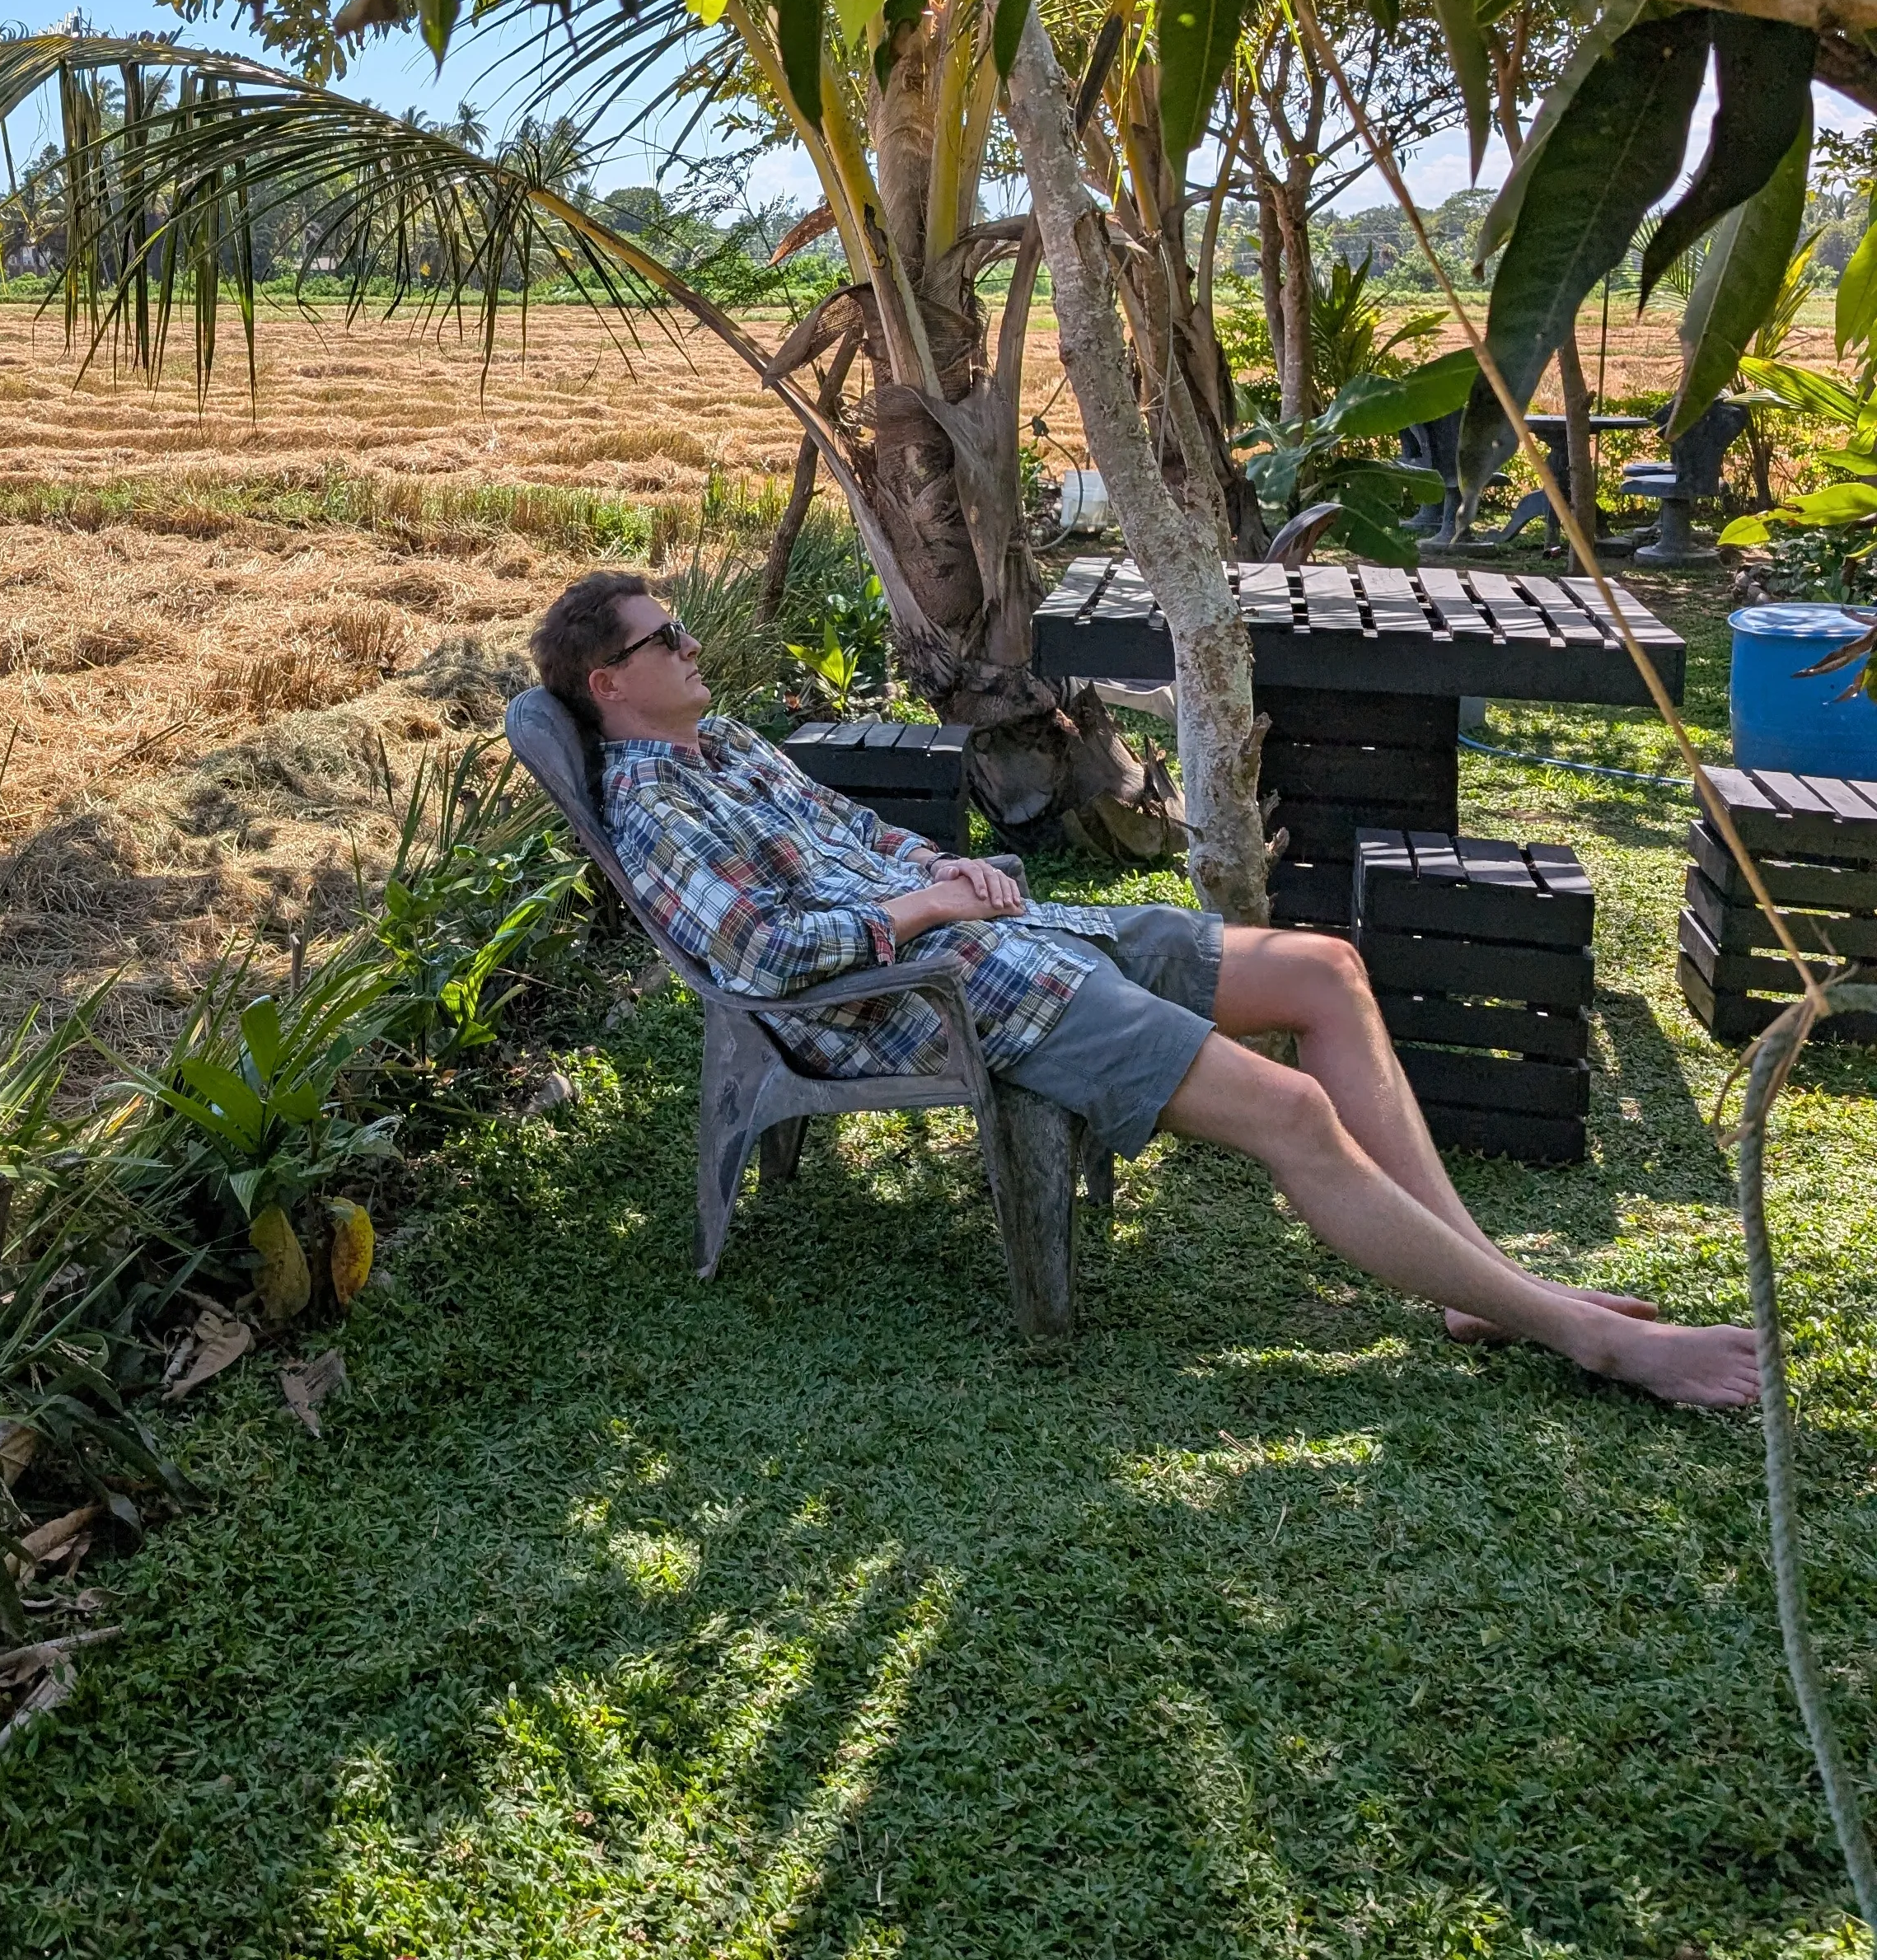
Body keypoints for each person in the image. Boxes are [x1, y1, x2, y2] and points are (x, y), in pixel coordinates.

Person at [530, 569, 1757, 1413]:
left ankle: (1484, 1287)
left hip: (1015, 935)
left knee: (1328, 969)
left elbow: (853, 831)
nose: (692, 647)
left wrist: (944, 864)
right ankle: (1590, 1336)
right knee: (1292, 1114)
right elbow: (754, 959)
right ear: (610, 686)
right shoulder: (654, 804)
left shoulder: (726, 742)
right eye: (666, 640)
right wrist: (924, 912)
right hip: (948, 993)